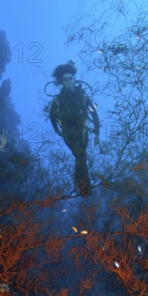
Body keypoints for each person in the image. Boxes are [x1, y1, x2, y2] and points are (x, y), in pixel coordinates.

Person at [49, 61, 100, 197]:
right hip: (68, 133)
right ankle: (84, 188)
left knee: (80, 156)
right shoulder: (58, 100)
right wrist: (57, 131)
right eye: (65, 79)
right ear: (62, 82)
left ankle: (82, 186)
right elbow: (52, 116)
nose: (68, 82)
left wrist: (97, 133)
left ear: (74, 79)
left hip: (82, 130)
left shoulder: (82, 96)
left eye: (70, 79)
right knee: (80, 156)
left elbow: (94, 113)